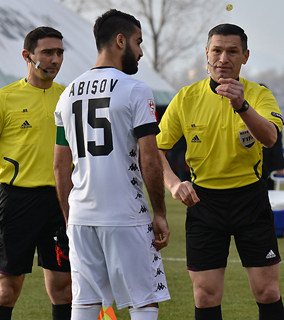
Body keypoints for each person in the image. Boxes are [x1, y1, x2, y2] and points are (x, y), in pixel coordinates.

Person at [156, 23, 284, 320]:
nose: (223, 59)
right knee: (205, 295)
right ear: (206, 53)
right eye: (216, 50)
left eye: (232, 52)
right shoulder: (186, 98)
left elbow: (269, 138)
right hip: (204, 205)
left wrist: (242, 106)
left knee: (267, 291)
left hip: (250, 201)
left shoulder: (259, 95)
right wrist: (174, 183)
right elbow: (153, 151)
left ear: (245, 56)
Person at [53, 9, 170, 320]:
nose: (141, 51)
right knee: (143, 302)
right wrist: (159, 212)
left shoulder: (66, 95)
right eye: (138, 41)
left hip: (80, 215)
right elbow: (149, 158)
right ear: (121, 41)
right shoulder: (135, 89)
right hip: (125, 214)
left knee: (85, 303)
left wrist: (69, 216)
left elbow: (60, 166)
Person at [0, 26, 71, 320]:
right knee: (6, 289)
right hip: (17, 202)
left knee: (64, 288)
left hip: (60, 201)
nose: (55, 59)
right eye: (48, 53)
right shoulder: (3, 99)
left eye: (60, 53)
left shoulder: (68, 99)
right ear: (28, 56)